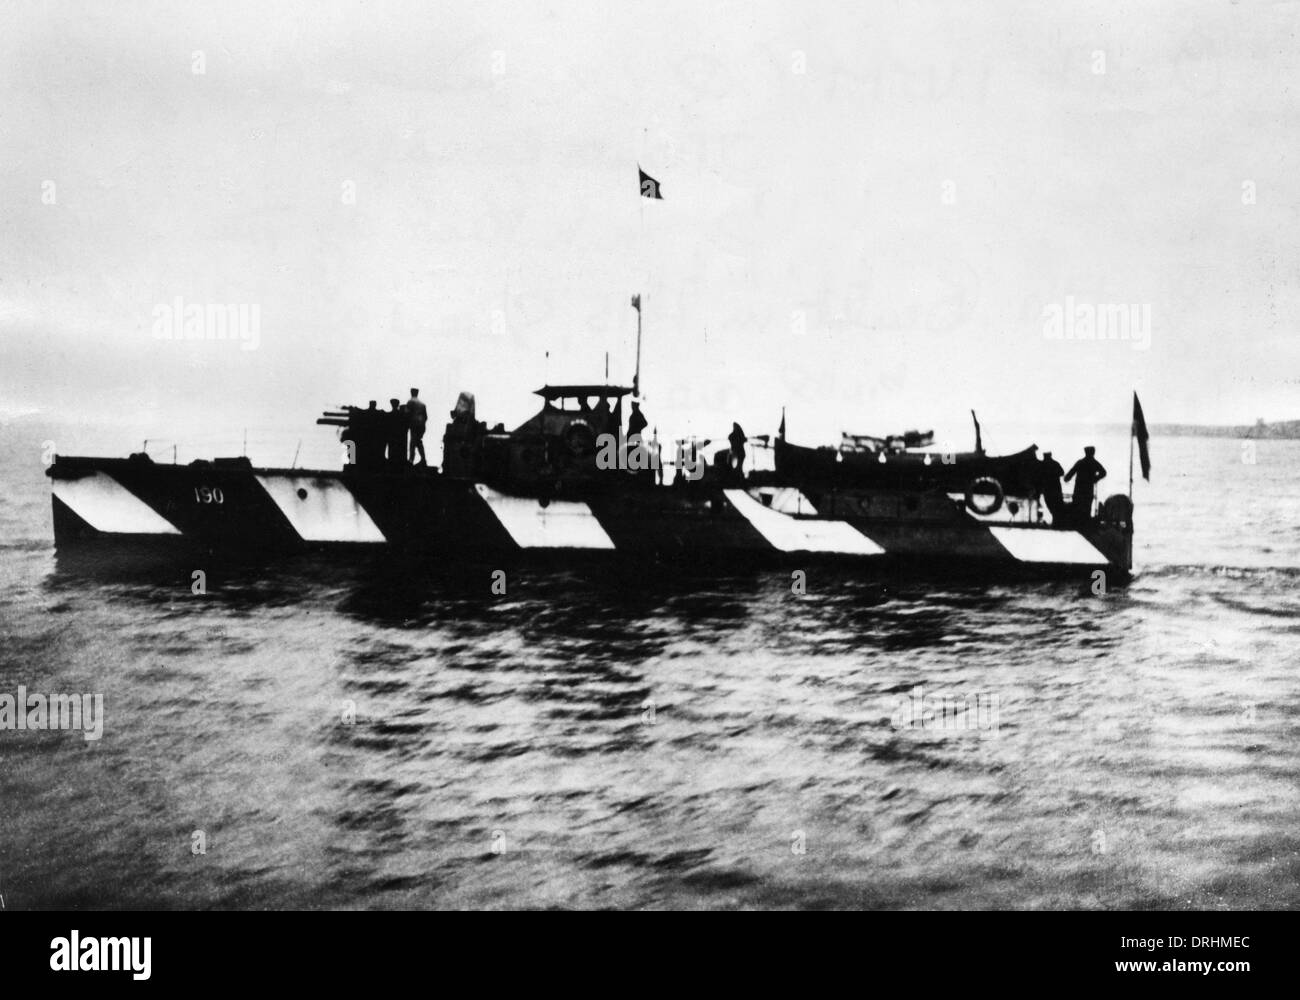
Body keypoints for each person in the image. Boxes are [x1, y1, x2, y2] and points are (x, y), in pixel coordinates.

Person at [1064, 446, 1107, 518]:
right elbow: (1103, 473)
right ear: (1093, 453)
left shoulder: (1080, 462)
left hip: (1079, 490)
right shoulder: (1094, 463)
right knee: (1086, 510)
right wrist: (1095, 479)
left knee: (1077, 510)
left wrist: (1066, 478)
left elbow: (1069, 475)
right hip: (1088, 490)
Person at [1037, 450, 1066, 521]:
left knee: (1050, 503)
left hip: (1047, 488)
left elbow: (1038, 476)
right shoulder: (1055, 463)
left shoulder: (1042, 464)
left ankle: (1056, 519)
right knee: (1056, 504)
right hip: (1056, 487)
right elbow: (1061, 472)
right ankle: (1057, 519)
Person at [407, 387, 428, 466]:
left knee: (413, 442)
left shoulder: (411, 402)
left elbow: (407, 413)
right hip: (421, 425)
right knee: (418, 442)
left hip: (414, 424)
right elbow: (426, 417)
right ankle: (423, 459)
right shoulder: (422, 404)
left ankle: (411, 459)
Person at [386, 398, 408, 468]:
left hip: (394, 436)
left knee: (393, 450)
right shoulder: (401, 415)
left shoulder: (390, 415)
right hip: (398, 436)